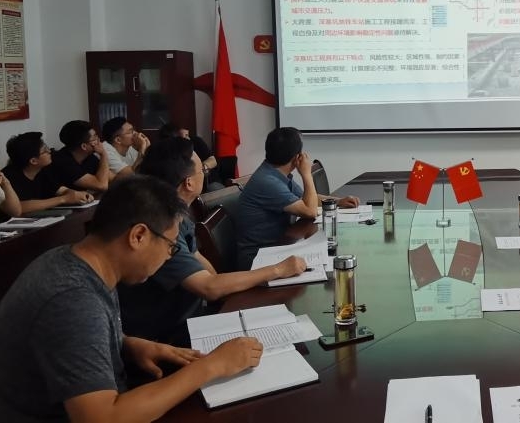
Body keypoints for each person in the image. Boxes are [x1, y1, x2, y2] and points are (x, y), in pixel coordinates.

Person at [0, 175, 263, 423]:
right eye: (170, 247)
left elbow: (72, 340)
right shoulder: (72, 298)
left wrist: (126, 344)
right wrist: (212, 366)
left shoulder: (75, 260)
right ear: (138, 236)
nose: (169, 256)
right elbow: (102, 418)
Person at [118, 137, 306, 344]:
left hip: (195, 319)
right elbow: (208, 287)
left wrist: (219, 289)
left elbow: (204, 268)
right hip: (167, 337)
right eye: (202, 170)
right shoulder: (161, 225)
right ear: (189, 182)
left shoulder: (179, 214)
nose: (205, 173)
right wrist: (278, 270)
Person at [234, 127, 360, 270]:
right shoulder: (268, 182)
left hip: (277, 248)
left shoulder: (273, 173)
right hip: (258, 260)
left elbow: (306, 199)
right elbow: (310, 211)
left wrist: (338, 201)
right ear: (296, 158)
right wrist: (306, 174)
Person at [2, 132, 94, 214]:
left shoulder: (43, 170)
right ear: (33, 161)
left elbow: (62, 190)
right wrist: (63, 199)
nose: (50, 151)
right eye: (45, 151)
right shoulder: (8, 177)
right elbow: (19, 207)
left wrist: (77, 195)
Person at [50, 120, 111, 192]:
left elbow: (112, 179)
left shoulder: (89, 157)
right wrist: (103, 154)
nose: (99, 141)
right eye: (95, 138)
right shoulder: (62, 161)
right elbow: (102, 185)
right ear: (84, 146)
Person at [158, 122, 222, 190]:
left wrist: (203, 167)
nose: (188, 138)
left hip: (209, 182)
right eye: (185, 135)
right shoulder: (165, 153)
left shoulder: (196, 141)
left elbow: (213, 160)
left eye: (188, 135)